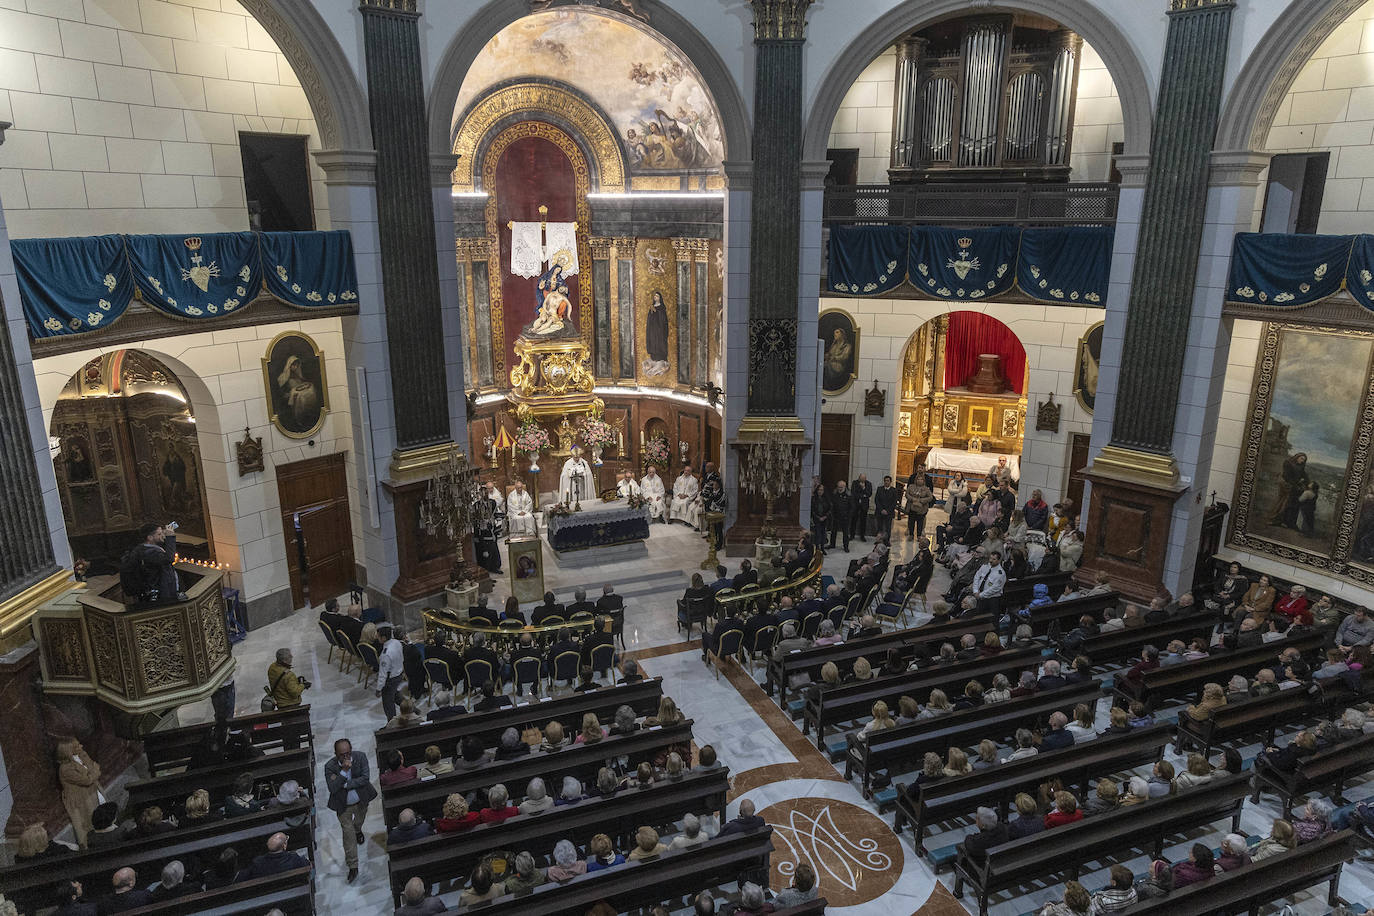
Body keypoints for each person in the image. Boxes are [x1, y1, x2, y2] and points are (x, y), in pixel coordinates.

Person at [324, 737, 377, 882]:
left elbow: (365, 778)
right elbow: (333, 788)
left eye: (347, 753)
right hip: (343, 805)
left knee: (359, 822)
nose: (346, 757)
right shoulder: (330, 766)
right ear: (336, 754)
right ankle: (353, 866)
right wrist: (343, 772)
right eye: (342, 754)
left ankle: (358, 829)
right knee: (348, 836)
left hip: (361, 800)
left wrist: (347, 785)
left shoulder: (360, 757)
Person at [240, 832, 308, 879]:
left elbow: (243, 876)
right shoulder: (293, 858)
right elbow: (307, 866)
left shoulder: (257, 862)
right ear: (284, 846)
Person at [375, 625, 405, 721]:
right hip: (399, 673)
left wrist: (379, 688)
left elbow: (383, 674)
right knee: (396, 695)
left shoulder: (386, 654)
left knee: (388, 703)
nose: (377, 637)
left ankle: (392, 722)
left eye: (378, 636)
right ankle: (412, 709)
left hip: (390, 679)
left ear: (383, 638)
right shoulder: (397, 642)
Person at [810, 482, 832, 547]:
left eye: (821, 490)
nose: (820, 491)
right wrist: (818, 517)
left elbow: (830, 508)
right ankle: (817, 547)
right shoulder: (814, 499)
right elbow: (812, 510)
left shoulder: (826, 498)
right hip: (817, 519)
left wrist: (825, 516)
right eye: (819, 490)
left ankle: (822, 547)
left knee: (823, 533)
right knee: (817, 533)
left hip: (825, 518)